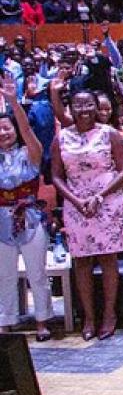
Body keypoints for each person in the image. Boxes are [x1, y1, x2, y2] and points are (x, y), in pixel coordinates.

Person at [52, 87, 123, 340]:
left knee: (108, 259)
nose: (84, 110)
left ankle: (109, 314)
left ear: (97, 108)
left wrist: (99, 196)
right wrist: (76, 200)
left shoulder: (110, 134)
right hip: (76, 205)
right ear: (70, 109)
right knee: (82, 261)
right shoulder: (62, 137)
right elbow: (56, 176)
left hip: (107, 202)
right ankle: (88, 317)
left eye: (89, 105)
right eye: (78, 105)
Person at [0, 83, 50, 340]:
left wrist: (13, 102)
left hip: (29, 218)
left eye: (6, 128)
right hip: (1, 220)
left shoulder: (29, 152)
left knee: (37, 272)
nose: (3, 133)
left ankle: (42, 320)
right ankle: (6, 321)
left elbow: (28, 130)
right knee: (4, 274)